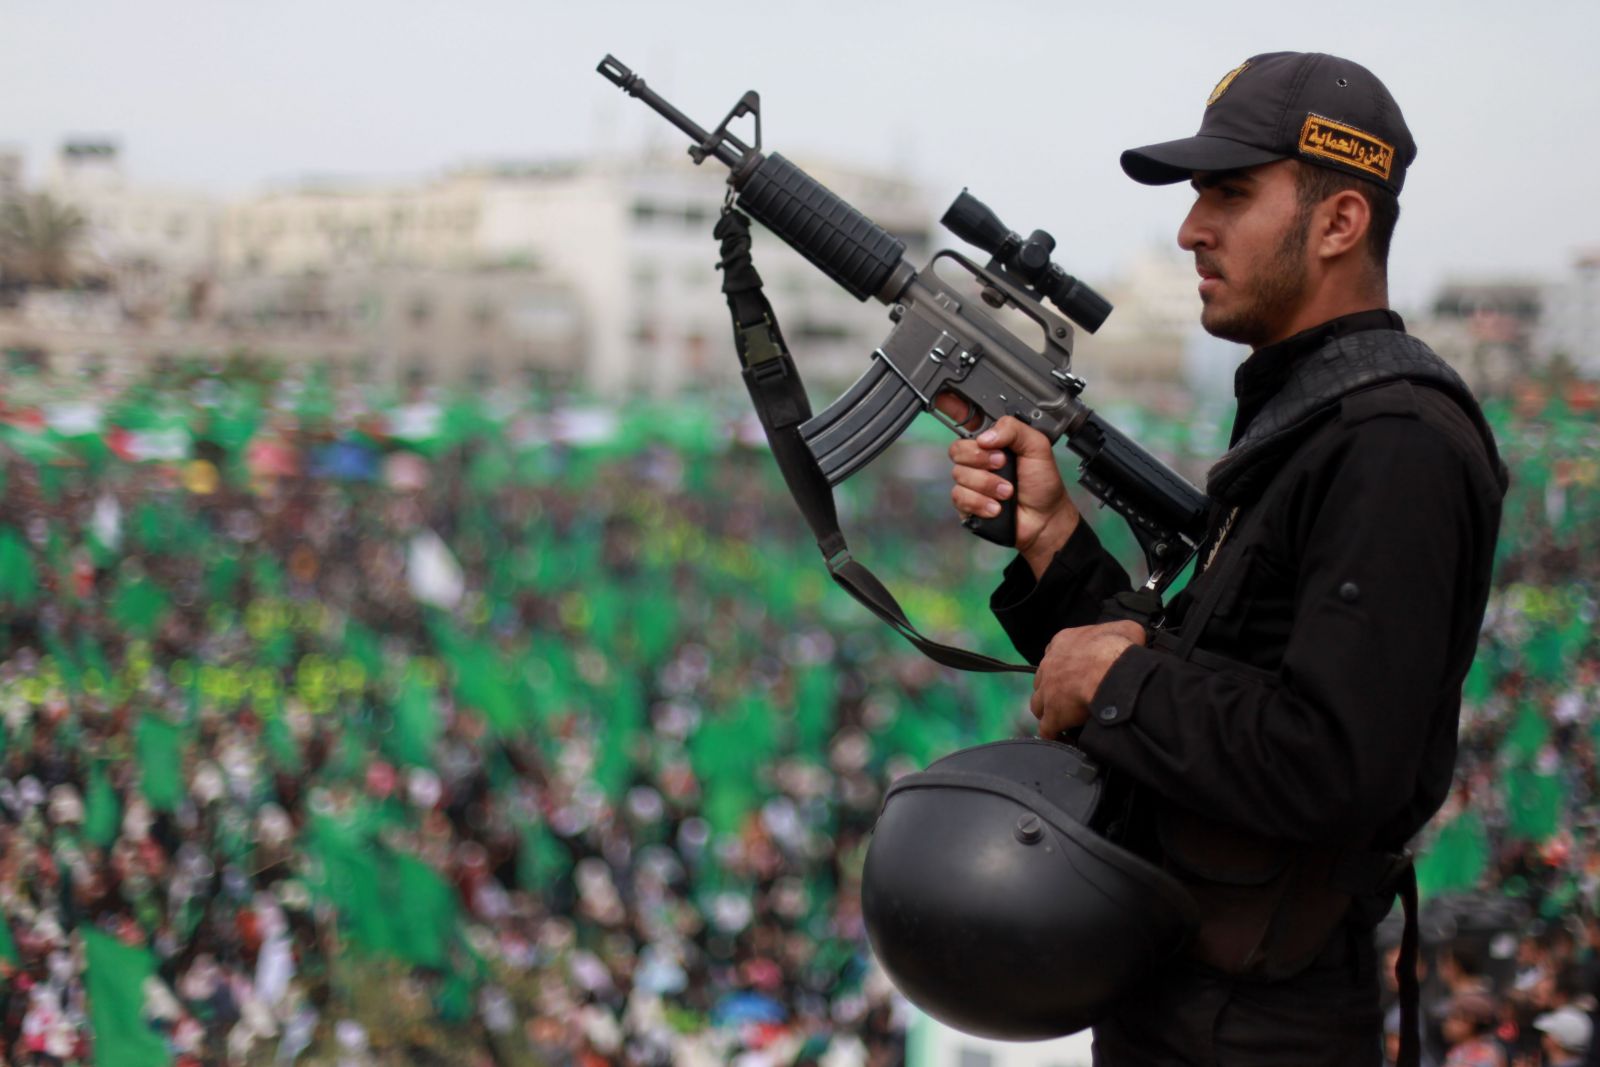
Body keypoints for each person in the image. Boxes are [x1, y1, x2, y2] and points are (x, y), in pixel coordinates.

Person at [942, 52, 1507, 1064]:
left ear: (1340, 222)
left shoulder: (1394, 443)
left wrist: (1114, 680)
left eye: (1230, 193)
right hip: (1187, 1000)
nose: (1190, 228)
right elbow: (1205, 690)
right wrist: (1052, 539)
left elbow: (1335, 764)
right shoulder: (1308, 416)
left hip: (1257, 1029)